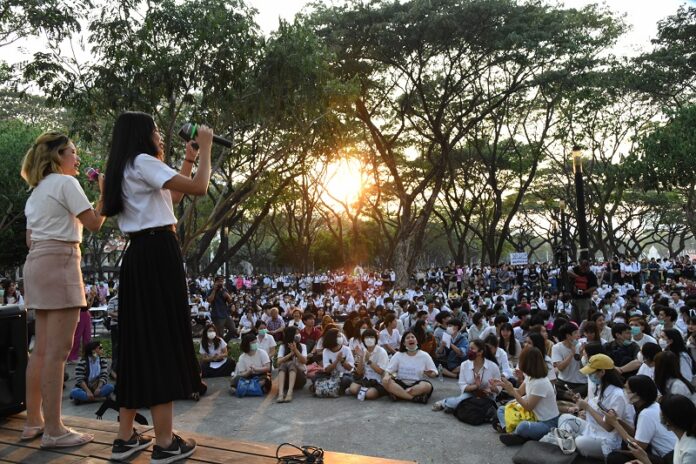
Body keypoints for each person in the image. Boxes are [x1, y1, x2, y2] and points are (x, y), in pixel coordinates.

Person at [102, 112, 214, 462]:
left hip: (138, 255)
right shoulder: (143, 162)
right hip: (158, 253)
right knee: (161, 340)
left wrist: (190, 156)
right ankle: (164, 442)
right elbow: (198, 188)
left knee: (138, 343)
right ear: (141, 135)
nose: (159, 136)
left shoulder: (123, 167)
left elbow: (175, 197)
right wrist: (208, 148)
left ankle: (125, 438)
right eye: (154, 130)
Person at [21, 131, 106, 447]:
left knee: (40, 350)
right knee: (58, 352)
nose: (77, 158)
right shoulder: (67, 183)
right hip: (61, 262)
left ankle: (34, 422)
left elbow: (30, 240)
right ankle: (55, 430)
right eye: (72, 152)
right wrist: (105, 195)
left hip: (37, 262)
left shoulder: (36, 192)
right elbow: (95, 222)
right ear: (58, 155)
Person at [560, 354, 635, 459]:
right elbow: (597, 410)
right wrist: (582, 403)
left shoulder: (618, 395)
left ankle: (567, 441)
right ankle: (568, 441)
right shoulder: (602, 388)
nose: (589, 376)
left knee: (580, 442)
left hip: (611, 439)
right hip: (595, 429)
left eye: (591, 373)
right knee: (564, 418)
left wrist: (587, 408)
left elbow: (609, 427)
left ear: (602, 372)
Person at [493, 347, 560, 446]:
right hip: (532, 416)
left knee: (523, 426)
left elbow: (528, 407)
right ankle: (514, 433)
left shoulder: (540, 382)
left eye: (521, 360)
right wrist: (505, 386)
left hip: (547, 423)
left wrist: (512, 391)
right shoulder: (529, 376)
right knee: (502, 409)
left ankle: (514, 432)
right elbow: (519, 392)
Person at [604, 375, 676, 464]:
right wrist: (619, 421)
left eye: (627, 390)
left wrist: (615, 424)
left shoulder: (646, 413)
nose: (624, 392)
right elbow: (639, 435)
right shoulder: (654, 406)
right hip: (671, 453)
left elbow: (637, 447)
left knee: (615, 457)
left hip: (668, 458)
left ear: (637, 395)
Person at [432, 339, 500, 412]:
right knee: (458, 402)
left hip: (487, 396)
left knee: (485, 409)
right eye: (469, 348)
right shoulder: (464, 365)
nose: (469, 351)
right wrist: (476, 386)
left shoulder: (493, 366)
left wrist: (492, 389)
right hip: (470, 393)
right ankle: (444, 402)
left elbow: (499, 386)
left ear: (480, 352)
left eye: (472, 349)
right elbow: (462, 385)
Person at [626, 394, 696, 464]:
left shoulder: (691, 451)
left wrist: (644, 458)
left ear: (669, 422)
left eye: (661, 412)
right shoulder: (682, 438)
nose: (659, 414)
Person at [382, 331, 438, 404]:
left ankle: (399, 395)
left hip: (416, 385)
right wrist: (386, 376)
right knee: (385, 381)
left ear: (417, 341)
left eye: (413, 337)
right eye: (407, 338)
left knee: (427, 386)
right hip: (400, 383)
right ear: (404, 343)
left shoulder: (424, 355)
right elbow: (388, 371)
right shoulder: (398, 355)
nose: (411, 339)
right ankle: (413, 398)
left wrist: (430, 374)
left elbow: (434, 373)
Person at [347, 328, 389, 400]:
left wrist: (369, 361)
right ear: (363, 340)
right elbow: (359, 372)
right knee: (353, 388)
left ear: (375, 339)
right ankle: (362, 391)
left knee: (370, 394)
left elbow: (381, 371)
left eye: (371, 337)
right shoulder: (364, 351)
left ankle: (364, 392)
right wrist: (360, 357)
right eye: (367, 337)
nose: (369, 339)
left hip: (378, 381)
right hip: (366, 380)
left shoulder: (381, 352)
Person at [551, 323, 588, 396]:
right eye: (575, 333)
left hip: (580, 383)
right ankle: (570, 395)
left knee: (586, 388)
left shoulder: (582, 346)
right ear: (568, 336)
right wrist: (572, 353)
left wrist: (581, 354)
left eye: (578, 332)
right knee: (552, 389)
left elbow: (584, 369)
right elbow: (560, 368)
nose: (578, 335)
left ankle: (568, 395)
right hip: (563, 382)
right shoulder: (556, 347)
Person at [275, 326, 307, 403]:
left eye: (298, 333)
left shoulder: (302, 346)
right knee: (282, 365)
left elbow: (304, 361)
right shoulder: (283, 346)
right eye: (296, 333)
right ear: (291, 335)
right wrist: (290, 354)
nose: (298, 335)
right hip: (286, 379)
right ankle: (281, 394)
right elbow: (278, 362)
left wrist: (296, 350)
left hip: (299, 379)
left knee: (292, 364)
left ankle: (289, 392)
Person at [321, 328, 355, 393]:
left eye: (341, 336)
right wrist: (336, 361)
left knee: (346, 380)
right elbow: (327, 370)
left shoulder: (346, 349)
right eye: (338, 336)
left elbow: (350, 368)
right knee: (315, 378)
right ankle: (335, 389)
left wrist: (342, 360)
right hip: (332, 376)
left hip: (345, 375)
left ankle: (331, 388)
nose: (341, 338)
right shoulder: (326, 351)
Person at [207, 275, 236, 342]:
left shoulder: (224, 289)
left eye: (222, 281)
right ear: (215, 282)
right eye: (219, 281)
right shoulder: (211, 290)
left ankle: (224, 344)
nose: (221, 283)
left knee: (233, 329)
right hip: (217, 315)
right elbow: (209, 300)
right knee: (220, 334)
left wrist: (228, 296)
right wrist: (214, 290)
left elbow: (230, 301)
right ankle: (221, 347)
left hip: (226, 314)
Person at [568, 259, 598, 323]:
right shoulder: (577, 269)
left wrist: (584, 292)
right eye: (581, 267)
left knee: (584, 318)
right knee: (573, 318)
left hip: (584, 299)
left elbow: (594, 287)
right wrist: (577, 277)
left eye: (585, 267)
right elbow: (568, 272)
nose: (583, 269)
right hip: (574, 298)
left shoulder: (591, 274)